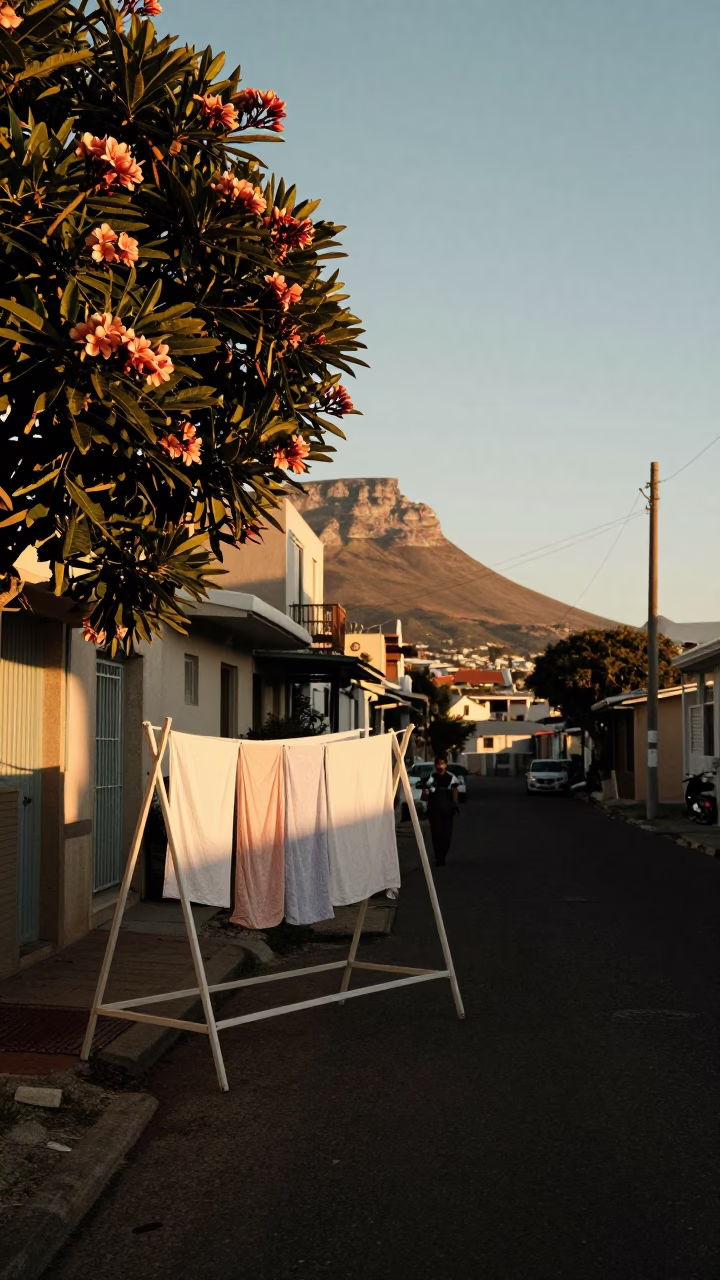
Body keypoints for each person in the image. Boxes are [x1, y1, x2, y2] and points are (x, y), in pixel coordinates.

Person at [423, 756, 460, 866]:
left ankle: (442, 855)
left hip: (447, 810)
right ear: (435, 765)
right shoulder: (432, 777)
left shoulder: (451, 777)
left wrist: (455, 805)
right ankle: (439, 857)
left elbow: (455, 791)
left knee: (447, 835)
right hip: (434, 810)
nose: (440, 766)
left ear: (446, 764)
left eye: (442, 764)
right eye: (438, 764)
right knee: (436, 834)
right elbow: (426, 793)